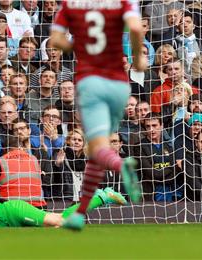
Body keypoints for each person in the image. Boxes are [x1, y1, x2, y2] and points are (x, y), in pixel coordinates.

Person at [49, 0, 146, 230]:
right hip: (119, 86)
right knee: (95, 148)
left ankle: (121, 165)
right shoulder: (123, 2)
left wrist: (78, 46)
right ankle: (80, 213)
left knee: (98, 147)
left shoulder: (71, 4)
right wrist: (138, 58)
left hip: (91, 82)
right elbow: (134, 27)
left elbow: (56, 39)